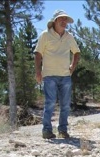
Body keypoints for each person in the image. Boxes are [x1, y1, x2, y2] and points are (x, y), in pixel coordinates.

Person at [35, 10, 81, 139]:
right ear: (55, 21)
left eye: (66, 20)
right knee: (49, 103)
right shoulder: (45, 35)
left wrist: (72, 66)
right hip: (49, 75)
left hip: (65, 75)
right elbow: (38, 54)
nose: (64, 22)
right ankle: (47, 130)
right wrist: (38, 72)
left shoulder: (69, 36)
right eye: (61, 19)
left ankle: (63, 130)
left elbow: (77, 52)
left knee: (65, 105)